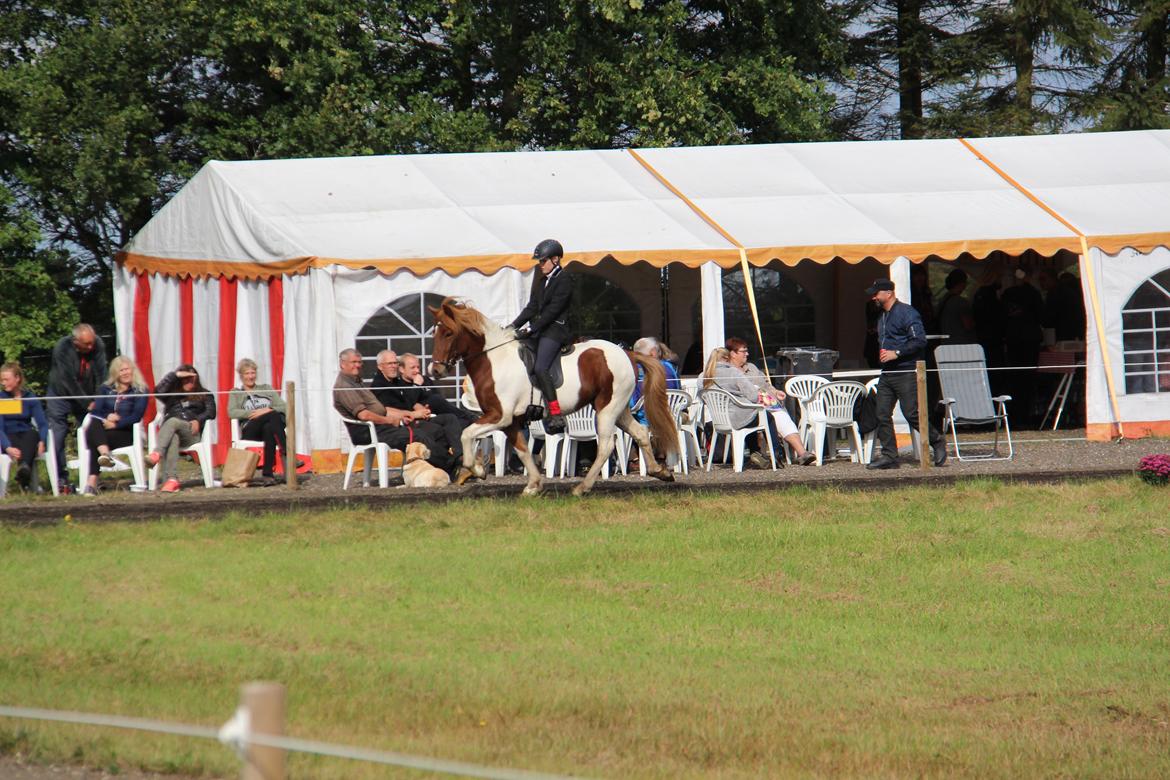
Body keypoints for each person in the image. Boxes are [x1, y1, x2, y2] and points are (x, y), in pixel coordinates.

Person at [864, 279, 947, 470]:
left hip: (907, 370)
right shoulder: (881, 316)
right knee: (881, 413)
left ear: (889, 293)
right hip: (888, 373)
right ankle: (889, 456)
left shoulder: (907, 313)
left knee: (911, 413)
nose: (874, 297)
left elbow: (919, 340)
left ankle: (937, 441)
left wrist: (897, 353)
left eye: (877, 293)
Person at [332, 348, 455, 474]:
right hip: (368, 431)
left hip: (380, 427)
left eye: (359, 362)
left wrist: (405, 415)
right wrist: (389, 420)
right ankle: (451, 467)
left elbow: (380, 409)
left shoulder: (355, 382)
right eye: (353, 362)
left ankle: (441, 468)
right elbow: (364, 415)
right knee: (419, 435)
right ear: (342, 363)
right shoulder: (344, 386)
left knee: (436, 431)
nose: (357, 365)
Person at [705, 339, 817, 467]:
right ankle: (775, 454)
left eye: (747, 351)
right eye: (743, 351)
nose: (747, 354)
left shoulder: (750, 368)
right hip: (747, 410)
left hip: (755, 408)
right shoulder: (732, 372)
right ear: (732, 354)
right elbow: (751, 396)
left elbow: (766, 385)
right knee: (767, 417)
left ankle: (801, 453)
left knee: (780, 415)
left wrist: (775, 392)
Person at [508, 238, 574, 433]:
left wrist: (531, 329)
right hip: (542, 330)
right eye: (539, 262)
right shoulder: (543, 281)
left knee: (540, 366)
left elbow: (553, 311)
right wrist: (512, 326)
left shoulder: (564, 280)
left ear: (555, 260)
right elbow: (532, 308)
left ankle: (555, 414)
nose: (540, 265)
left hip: (556, 330)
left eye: (543, 261)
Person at [46, 323, 108, 494]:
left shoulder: (97, 345)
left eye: (92, 342)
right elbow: (68, 380)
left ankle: (93, 477)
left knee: (92, 431)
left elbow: (101, 375)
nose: (91, 346)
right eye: (86, 344)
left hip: (87, 392)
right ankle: (60, 478)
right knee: (57, 434)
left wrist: (98, 400)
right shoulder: (62, 348)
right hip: (60, 393)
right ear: (75, 342)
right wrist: (87, 403)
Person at [81, 356, 148, 495]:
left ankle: (91, 482)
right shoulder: (105, 389)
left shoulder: (140, 390)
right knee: (94, 422)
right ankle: (105, 455)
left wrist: (117, 424)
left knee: (94, 439)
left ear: (133, 370)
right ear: (115, 373)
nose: (125, 373)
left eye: (127, 369)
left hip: (126, 432)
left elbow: (136, 416)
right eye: (121, 370)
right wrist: (107, 416)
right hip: (104, 430)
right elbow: (96, 410)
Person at [149, 364, 216, 493]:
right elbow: (157, 392)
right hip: (171, 434)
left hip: (191, 433)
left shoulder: (205, 394)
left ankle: (157, 453)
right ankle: (172, 480)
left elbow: (211, 412)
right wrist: (175, 375)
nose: (188, 381)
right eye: (185, 378)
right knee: (173, 437)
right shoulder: (172, 395)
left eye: (191, 378)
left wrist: (198, 419)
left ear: (196, 380)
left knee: (173, 421)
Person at [228, 358, 292, 486]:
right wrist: (252, 413)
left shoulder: (266, 388)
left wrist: (266, 410)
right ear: (241, 375)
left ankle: (267, 475)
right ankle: (288, 452)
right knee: (272, 415)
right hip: (250, 428)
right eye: (247, 373)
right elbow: (232, 412)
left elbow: (285, 406)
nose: (250, 376)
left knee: (269, 426)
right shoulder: (236, 392)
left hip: (268, 427)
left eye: (252, 373)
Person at [1, 362, 50, 493]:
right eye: (2, 380)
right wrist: (8, 447)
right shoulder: (2, 399)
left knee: (33, 435)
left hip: (27, 435)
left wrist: (42, 441)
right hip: (8, 437)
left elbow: (43, 424)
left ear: (17, 378)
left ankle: (24, 470)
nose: (3, 383)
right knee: (23, 442)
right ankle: (25, 474)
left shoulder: (30, 398)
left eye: (6, 379)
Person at [630, 337, 681, 425]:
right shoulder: (669, 367)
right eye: (658, 351)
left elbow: (632, 404)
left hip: (643, 421)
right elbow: (678, 390)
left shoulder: (632, 370)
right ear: (653, 352)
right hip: (671, 417)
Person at [935, 269, 976, 345]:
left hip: (945, 343)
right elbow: (967, 325)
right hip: (961, 344)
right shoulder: (961, 302)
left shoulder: (942, 300)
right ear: (962, 283)